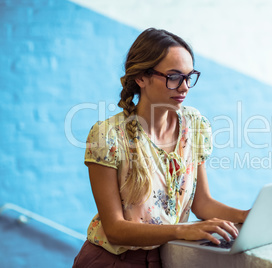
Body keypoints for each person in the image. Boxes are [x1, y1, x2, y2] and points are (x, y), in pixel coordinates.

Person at [72, 28, 249, 268]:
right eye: (174, 76)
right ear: (141, 78)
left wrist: (245, 216)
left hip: (164, 259)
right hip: (111, 261)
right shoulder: (108, 136)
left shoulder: (194, 126)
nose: (184, 87)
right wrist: (182, 231)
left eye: (189, 76)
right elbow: (114, 230)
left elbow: (202, 203)